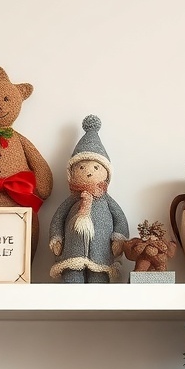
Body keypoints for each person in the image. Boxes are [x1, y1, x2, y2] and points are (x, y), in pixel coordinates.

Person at [49, 115, 129, 283]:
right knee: (71, 280)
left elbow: (120, 218)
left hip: (101, 254)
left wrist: (119, 239)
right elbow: (58, 217)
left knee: (98, 284)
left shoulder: (106, 200)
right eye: (82, 167)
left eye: (95, 167)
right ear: (72, 172)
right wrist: (56, 237)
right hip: (72, 252)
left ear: (106, 173)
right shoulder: (72, 200)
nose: (89, 172)